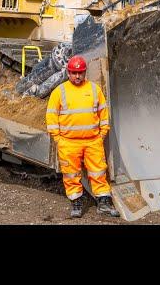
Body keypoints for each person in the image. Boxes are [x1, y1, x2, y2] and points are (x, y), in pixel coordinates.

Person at [45, 55, 120, 218]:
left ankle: (103, 203)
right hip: (68, 142)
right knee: (71, 174)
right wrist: (58, 139)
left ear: (85, 72)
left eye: (80, 73)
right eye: (73, 73)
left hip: (93, 141)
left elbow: (103, 113)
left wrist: (102, 134)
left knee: (99, 172)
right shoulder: (59, 91)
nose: (77, 76)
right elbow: (51, 117)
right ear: (68, 72)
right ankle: (76, 203)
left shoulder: (94, 89)